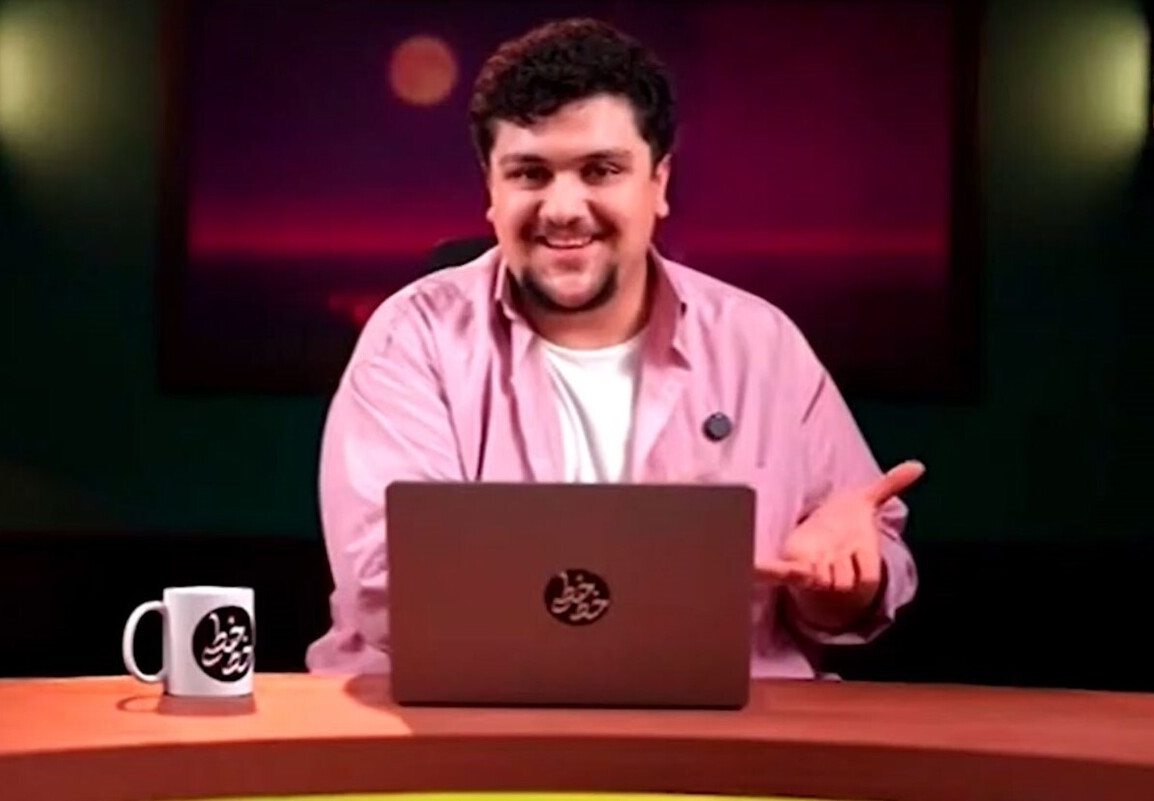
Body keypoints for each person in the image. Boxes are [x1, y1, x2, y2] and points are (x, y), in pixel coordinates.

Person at [306, 17, 923, 679]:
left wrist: (840, 583)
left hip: (728, 727)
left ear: (659, 183)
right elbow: (390, 588)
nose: (563, 208)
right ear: (491, 190)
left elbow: (864, 568)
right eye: (530, 173)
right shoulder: (412, 340)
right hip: (463, 718)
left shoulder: (762, 344)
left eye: (600, 170)